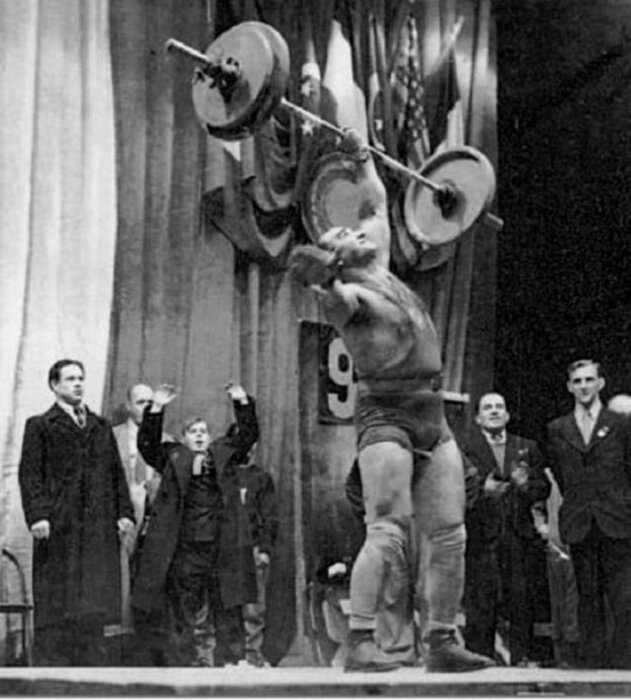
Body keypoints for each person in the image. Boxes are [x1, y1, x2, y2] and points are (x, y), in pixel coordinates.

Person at [289, 129, 493, 673]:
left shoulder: (379, 263)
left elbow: (377, 203)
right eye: (340, 233)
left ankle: (442, 640)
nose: (354, 229)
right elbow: (331, 297)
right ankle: (359, 641)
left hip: (432, 417)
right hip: (386, 419)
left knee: (449, 533)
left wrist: (361, 159)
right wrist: (321, 279)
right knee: (387, 531)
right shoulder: (349, 297)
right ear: (334, 256)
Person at [131, 382, 259, 667]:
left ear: (210, 437)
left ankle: (231, 661)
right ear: (183, 438)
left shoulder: (224, 454)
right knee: (181, 610)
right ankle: (181, 663)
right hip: (186, 550)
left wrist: (241, 401)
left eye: (203, 431)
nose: (199, 435)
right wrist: (157, 407)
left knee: (228, 606)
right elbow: (147, 444)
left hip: (221, 547)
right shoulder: (172, 457)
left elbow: (248, 436)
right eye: (193, 431)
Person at [18, 359, 135, 666]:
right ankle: (53, 675)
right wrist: (38, 515)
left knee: (93, 602)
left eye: (81, 378)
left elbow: (116, 473)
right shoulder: (40, 425)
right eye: (70, 379)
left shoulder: (100, 426)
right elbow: (30, 475)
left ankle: (91, 674)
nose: (78, 383)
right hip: (59, 528)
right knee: (58, 602)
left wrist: (124, 512)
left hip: (97, 529)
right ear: (54, 385)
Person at [546, 359, 631, 668]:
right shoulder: (558, 428)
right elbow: (560, 473)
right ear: (570, 387)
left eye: (589, 379)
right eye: (578, 381)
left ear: (601, 383)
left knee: (623, 595)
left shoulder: (620, 424)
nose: (584, 386)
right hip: (580, 519)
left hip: (616, 518)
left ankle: (624, 662)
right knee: (587, 594)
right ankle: (592, 662)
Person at [461, 392, 551, 666]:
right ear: (478, 418)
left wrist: (526, 485)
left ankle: (521, 659)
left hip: (518, 535)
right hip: (481, 536)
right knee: (481, 601)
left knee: (521, 600)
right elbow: (452, 488)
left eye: (499, 407)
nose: (494, 411)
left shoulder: (527, 447)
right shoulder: (464, 448)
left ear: (508, 415)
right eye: (488, 407)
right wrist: (481, 490)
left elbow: (543, 488)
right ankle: (480, 659)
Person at [112, 383, 168, 664]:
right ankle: (121, 641)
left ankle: (147, 646)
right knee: (120, 579)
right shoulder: (111, 437)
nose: (145, 407)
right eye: (140, 402)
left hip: (152, 520)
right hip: (120, 517)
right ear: (128, 405)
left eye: (149, 402)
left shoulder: (166, 440)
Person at [231, 437, 279, 667]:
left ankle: (253, 654)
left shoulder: (261, 478)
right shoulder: (224, 475)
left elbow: (269, 516)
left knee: (254, 606)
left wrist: (265, 549)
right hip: (227, 548)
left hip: (253, 546)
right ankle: (230, 656)